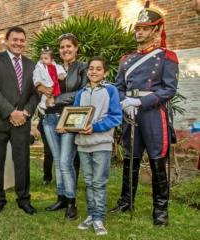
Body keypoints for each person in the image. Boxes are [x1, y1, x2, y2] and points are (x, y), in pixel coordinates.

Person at [111, 2, 178, 227]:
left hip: (152, 115)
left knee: (157, 160)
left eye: (144, 28)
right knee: (131, 159)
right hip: (131, 114)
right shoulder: (126, 60)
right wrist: (123, 102)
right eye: (137, 28)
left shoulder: (167, 57)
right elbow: (118, 87)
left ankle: (160, 210)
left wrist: (140, 101)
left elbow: (168, 89)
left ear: (155, 31)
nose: (139, 32)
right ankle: (125, 201)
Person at [0, 26, 39, 216]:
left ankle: (23, 199)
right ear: (6, 40)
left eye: (22, 40)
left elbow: (35, 93)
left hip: (22, 121)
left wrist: (25, 112)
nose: (19, 43)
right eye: (15, 40)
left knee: (22, 162)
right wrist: (10, 112)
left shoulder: (32, 65)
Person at [38, 33, 87, 220]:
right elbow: (41, 85)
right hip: (50, 117)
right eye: (62, 47)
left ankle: (71, 202)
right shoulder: (52, 68)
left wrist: (57, 99)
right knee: (58, 161)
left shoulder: (82, 67)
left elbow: (82, 92)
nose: (65, 50)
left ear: (76, 48)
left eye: (69, 46)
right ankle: (61, 198)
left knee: (66, 161)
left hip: (71, 117)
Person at [73, 57, 122, 235]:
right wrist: (70, 126)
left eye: (98, 69)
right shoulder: (81, 92)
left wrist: (94, 127)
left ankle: (99, 218)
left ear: (105, 72)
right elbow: (75, 116)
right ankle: (92, 215)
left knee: (98, 183)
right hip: (83, 144)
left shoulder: (111, 90)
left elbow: (116, 117)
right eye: (91, 68)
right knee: (88, 182)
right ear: (87, 72)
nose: (94, 71)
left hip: (101, 144)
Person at [33, 47, 66, 114]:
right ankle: (42, 104)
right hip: (45, 83)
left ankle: (46, 103)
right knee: (45, 94)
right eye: (41, 58)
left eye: (46, 58)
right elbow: (36, 75)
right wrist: (38, 82)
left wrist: (61, 75)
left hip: (54, 83)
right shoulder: (39, 67)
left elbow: (60, 70)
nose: (43, 60)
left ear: (52, 60)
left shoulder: (56, 66)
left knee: (53, 94)